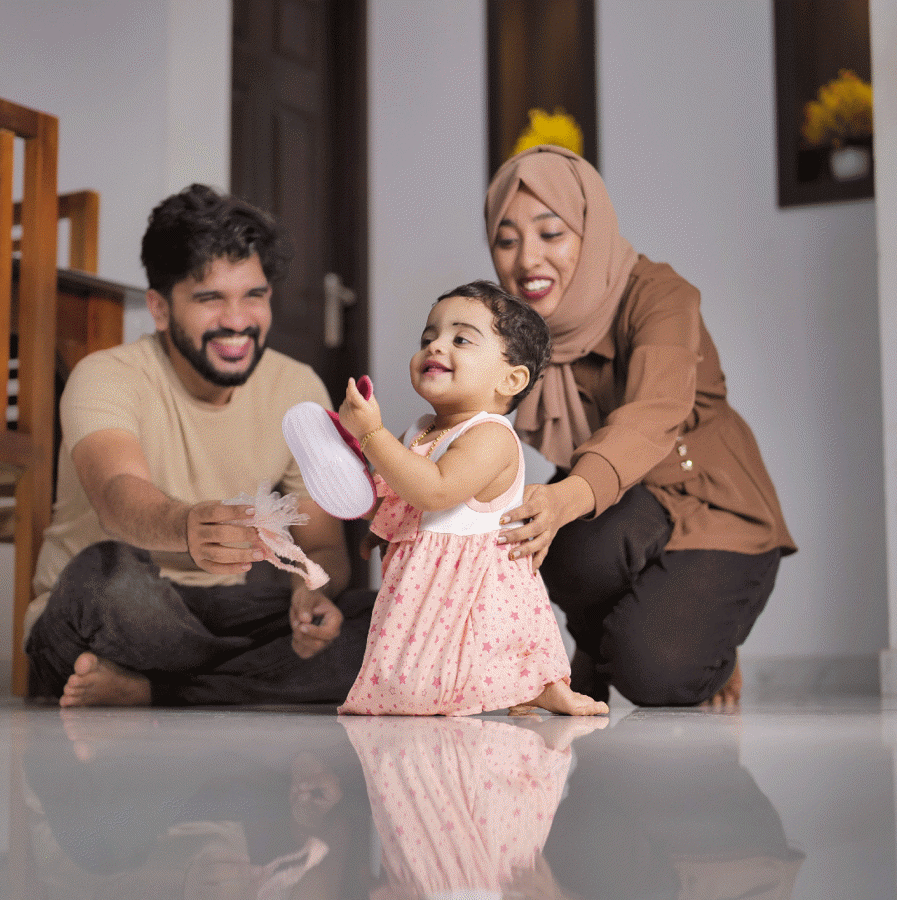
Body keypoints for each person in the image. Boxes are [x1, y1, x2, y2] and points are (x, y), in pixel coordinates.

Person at [24, 183, 373, 707]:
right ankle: (229, 686)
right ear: (160, 309)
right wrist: (184, 527)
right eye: (210, 298)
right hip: (121, 610)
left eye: (253, 296)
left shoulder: (296, 389)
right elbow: (118, 493)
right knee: (106, 579)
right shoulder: (106, 375)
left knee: (396, 621)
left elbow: (323, 549)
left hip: (232, 612)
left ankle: (154, 690)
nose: (236, 321)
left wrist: (311, 593)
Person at [485, 145, 796, 708]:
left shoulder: (660, 295)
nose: (527, 260)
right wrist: (403, 479)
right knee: (561, 551)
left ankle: (707, 648)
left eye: (550, 233)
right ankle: (602, 647)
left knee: (655, 676)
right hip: (628, 502)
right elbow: (472, 407)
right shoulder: (522, 328)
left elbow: (654, 411)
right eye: (507, 240)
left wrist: (565, 499)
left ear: (589, 229)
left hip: (714, 503)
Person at [333, 280, 607, 716]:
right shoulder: (421, 428)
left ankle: (537, 685)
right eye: (428, 338)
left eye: (460, 339)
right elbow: (408, 496)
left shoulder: (491, 436)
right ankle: (525, 687)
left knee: (473, 650)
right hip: (424, 575)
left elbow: (436, 489)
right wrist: (384, 528)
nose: (436, 347)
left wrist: (370, 434)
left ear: (510, 379)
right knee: (413, 667)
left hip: (471, 578)